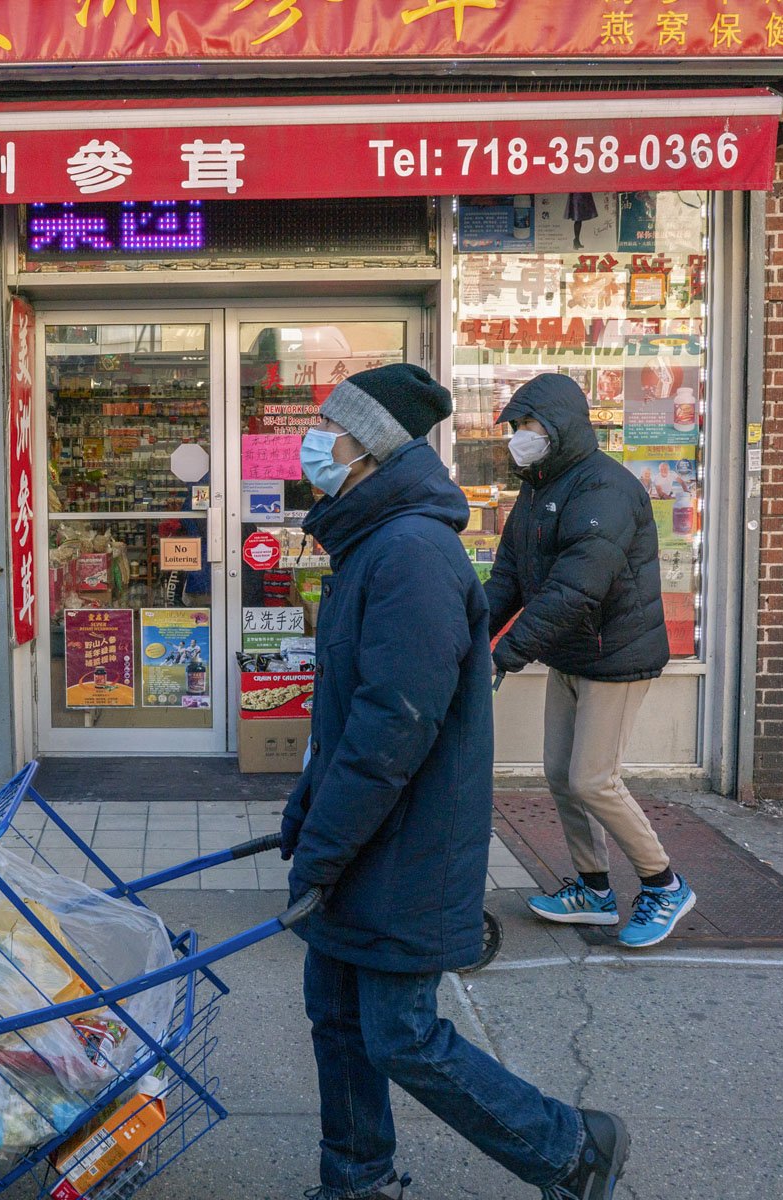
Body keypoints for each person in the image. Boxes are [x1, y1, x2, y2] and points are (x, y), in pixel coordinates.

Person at [279, 364, 629, 1200]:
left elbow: (392, 726)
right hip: (367, 831)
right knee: (335, 1017)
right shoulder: (370, 540)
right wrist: (306, 817)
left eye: (327, 426)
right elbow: (345, 726)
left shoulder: (409, 554)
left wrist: (323, 848)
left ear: (366, 449)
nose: (311, 442)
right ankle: (357, 1178)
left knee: (398, 1034)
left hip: (406, 841)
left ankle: (568, 1148)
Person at [486, 372, 695, 950]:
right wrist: (467, 631)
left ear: (559, 427)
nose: (518, 438)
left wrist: (506, 651)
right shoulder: (537, 488)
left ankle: (664, 883)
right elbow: (509, 577)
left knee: (593, 779)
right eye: (516, 427)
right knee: (560, 774)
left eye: (527, 426)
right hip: (571, 654)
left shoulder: (605, 489)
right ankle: (594, 889)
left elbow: (577, 589)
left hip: (616, 656)